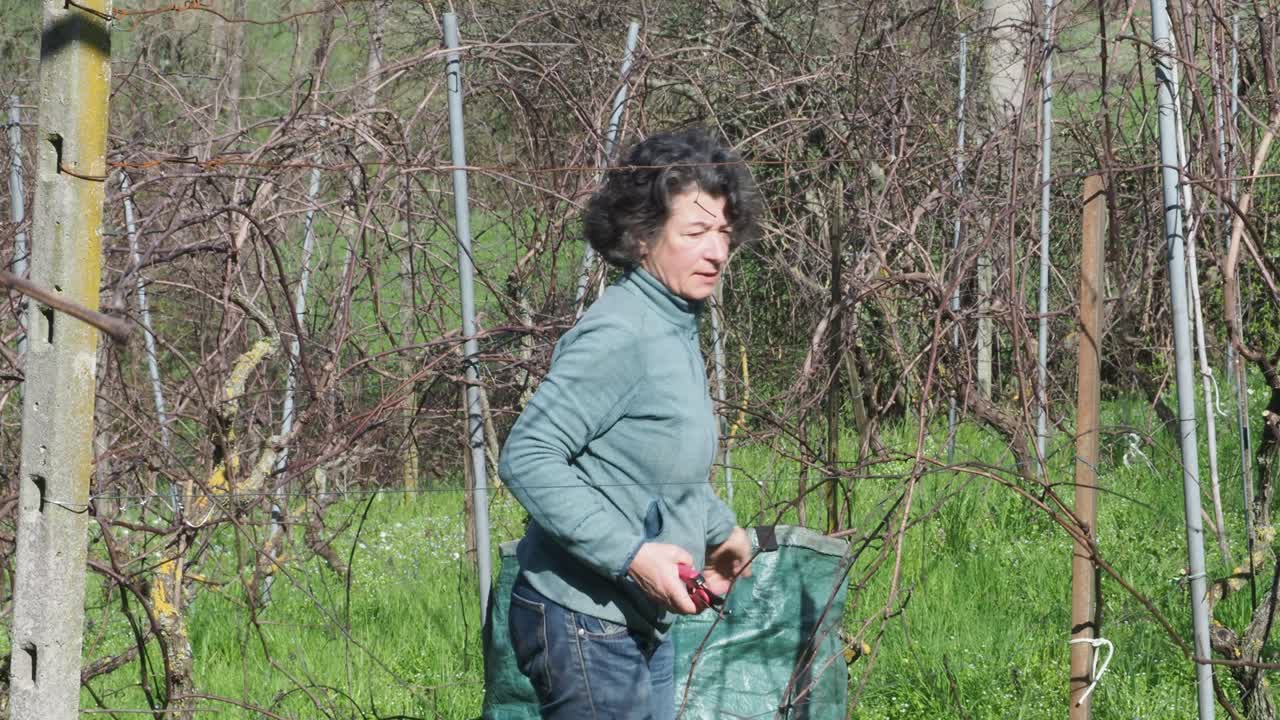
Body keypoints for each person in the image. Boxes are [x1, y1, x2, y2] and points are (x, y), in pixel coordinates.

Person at [498, 128, 762, 720]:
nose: (717, 251)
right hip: (581, 617)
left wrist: (721, 532)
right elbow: (528, 455)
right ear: (642, 239)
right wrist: (633, 555)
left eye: (722, 231)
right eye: (695, 233)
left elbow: (649, 460)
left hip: (632, 617)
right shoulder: (622, 333)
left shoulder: (673, 323)